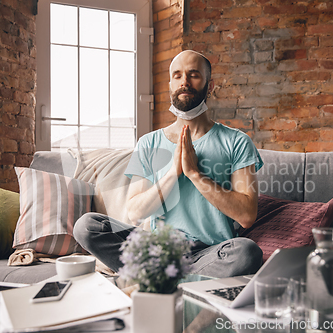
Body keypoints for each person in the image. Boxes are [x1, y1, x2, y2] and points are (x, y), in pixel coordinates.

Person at [73, 50, 264, 278]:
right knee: (87, 226)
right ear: (170, 84)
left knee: (247, 252)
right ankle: (174, 278)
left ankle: (157, 278)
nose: (184, 82)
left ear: (209, 85)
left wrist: (195, 174)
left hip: (210, 253)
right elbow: (135, 213)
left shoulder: (236, 141)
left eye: (193, 74)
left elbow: (246, 215)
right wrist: (173, 173)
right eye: (177, 75)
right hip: (157, 249)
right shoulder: (148, 142)